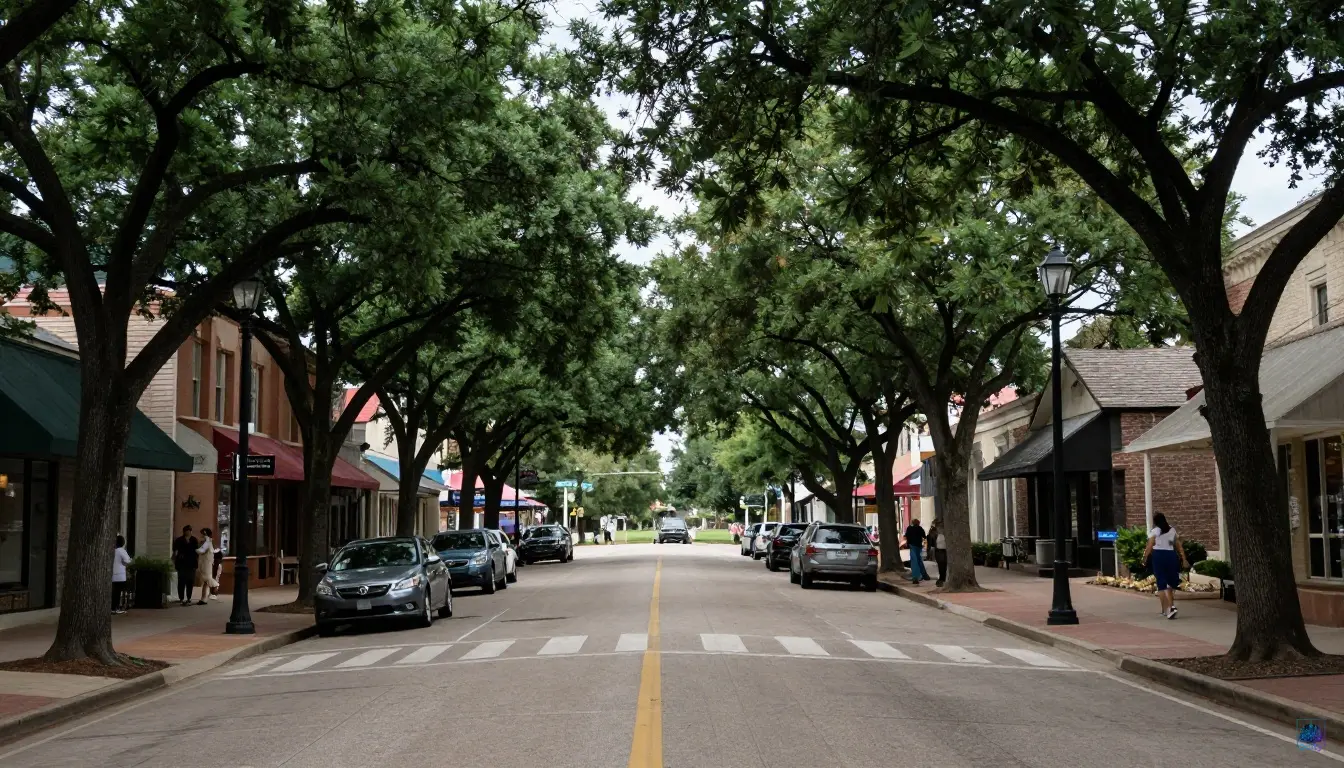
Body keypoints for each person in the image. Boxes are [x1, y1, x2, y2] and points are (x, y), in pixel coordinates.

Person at [1142, 513, 1189, 620]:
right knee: (1170, 583)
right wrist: (1184, 559)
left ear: (1155, 521)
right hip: (1171, 556)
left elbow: (1149, 546)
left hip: (1158, 556)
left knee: (1161, 583)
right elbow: (1178, 545)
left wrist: (1144, 558)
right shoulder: (1172, 530)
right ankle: (1170, 607)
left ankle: (1166, 610)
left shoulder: (1155, 531)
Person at [172, 525, 198, 606]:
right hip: (181, 563)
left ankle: (189, 598)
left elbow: (196, 551)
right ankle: (181, 598)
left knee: (190, 581)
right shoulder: (179, 540)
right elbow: (175, 551)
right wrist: (175, 558)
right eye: (186, 531)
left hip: (191, 564)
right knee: (181, 581)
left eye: (189, 531)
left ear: (191, 531)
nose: (188, 532)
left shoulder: (194, 540)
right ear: (184, 532)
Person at [194, 528, 218, 606]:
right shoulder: (208, 542)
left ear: (205, 534)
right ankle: (204, 599)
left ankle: (213, 589)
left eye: (202, 534)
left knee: (206, 580)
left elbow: (202, 551)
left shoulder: (207, 542)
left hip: (206, 564)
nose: (200, 536)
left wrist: (194, 549)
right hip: (206, 563)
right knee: (206, 582)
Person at [112, 535, 132, 615]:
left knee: (114, 592)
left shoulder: (113, 550)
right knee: (118, 592)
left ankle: (113, 607)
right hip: (120, 575)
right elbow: (128, 561)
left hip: (113, 574)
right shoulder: (121, 551)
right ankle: (116, 608)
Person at [904, 518, 928, 585]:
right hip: (918, 546)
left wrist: (908, 543)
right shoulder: (920, 528)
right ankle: (924, 575)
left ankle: (915, 577)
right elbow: (924, 536)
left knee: (914, 561)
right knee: (919, 560)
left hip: (912, 546)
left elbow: (906, 536)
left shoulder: (909, 528)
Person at [928, 519, 948, 587]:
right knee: (941, 565)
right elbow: (931, 542)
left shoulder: (946, 532)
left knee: (943, 565)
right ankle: (942, 579)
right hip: (939, 551)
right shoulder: (934, 532)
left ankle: (942, 579)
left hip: (944, 551)